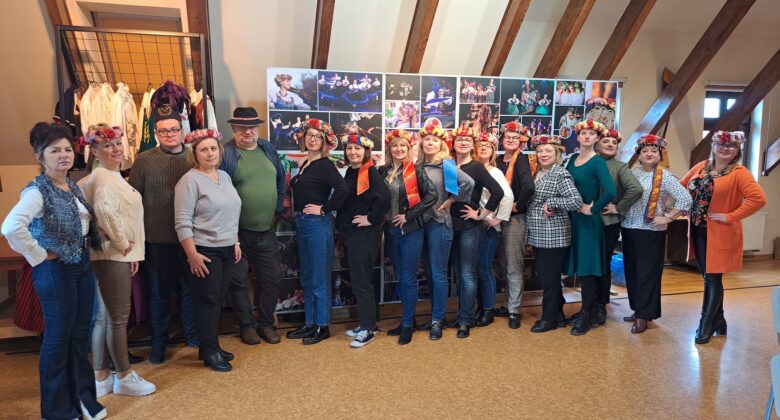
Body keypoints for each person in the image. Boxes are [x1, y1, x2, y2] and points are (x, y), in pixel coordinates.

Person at [2, 122, 106, 419]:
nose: (63, 155)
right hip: (55, 271)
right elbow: (11, 227)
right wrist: (38, 254)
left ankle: (82, 399)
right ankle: (57, 410)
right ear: (40, 157)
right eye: (54, 151)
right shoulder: (37, 191)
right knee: (59, 338)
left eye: (67, 149)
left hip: (80, 266)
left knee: (79, 335)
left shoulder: (70, 185)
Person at [78, 124, 156, 397]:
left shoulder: (105, 177)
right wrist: (123, 244)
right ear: (95, 151)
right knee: (118, 318)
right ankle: (123, 375)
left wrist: (128, 251)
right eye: (107, 146)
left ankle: (101, 375)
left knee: (104, 317)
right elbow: (104, 211)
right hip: (112, 255)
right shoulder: (104, 178)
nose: (115, 149)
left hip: (108, 255)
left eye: (118, 144)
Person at [680, 130, 766, 344]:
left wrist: (731, 216)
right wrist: (680, 206)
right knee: (709, 277)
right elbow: (682, 186)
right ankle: (719, 321)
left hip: (720, 232)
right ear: (714, 146)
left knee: (712, 278)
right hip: (698, 230)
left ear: (737, 151)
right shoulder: (702, 167)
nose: (726, 149)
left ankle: (706, 324)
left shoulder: (739, 172)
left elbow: (758, 199)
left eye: (731, 146)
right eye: (722, 144)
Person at [129, 104, 197, 364]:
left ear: (182, 130)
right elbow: (134, 201)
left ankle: (193, 336)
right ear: (156, 133)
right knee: (159, 295)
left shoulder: (194, 157)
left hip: (190, 239)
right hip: (157, 240)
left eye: (174, 129)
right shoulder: (144, 160)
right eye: (163, 131)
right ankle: (159, 344)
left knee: (191, 290)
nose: (170, 134)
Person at [174, 128, 242, 372]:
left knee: (217, 300)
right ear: (195, 154)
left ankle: (209, 346)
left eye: (213, 148)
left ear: (220, 151)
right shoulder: (189, 181)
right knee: (207, 301)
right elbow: (182, 222)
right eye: (204, 149)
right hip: (204, 250)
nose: (210, 153)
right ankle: (210, 350)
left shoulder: (224, 176)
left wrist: (235, 241)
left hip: (227, 247)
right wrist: (192, 254)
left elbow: (231, 211)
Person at [220, 107, 286, 346]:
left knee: (273, 278)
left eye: (252, 127)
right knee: (238, 281)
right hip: (237, 234)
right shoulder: (226, 153)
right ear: (233, 128)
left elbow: (280, 181)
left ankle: (266, 323)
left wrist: (276, 210)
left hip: (266, 231)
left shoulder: (268, 149)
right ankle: (246, 326)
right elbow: (221, 193)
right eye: (241, 127)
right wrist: (231, 232)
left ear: (258, 128)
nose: (247, 131)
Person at [621, 135, 691, 333]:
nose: (649, 154)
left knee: (647, 274)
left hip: (651, 231)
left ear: (660, 155)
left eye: (653, 151)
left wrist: (668, 217)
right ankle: (638, 309)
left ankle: (643, 315)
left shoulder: (665, 176)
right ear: (639, 155)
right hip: (629, 228)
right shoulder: (631, 173)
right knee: (632, 273)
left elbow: (685, 198)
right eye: (644, 151)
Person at [286, 118, 348, 345]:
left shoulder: (324, 164)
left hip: (317, 225)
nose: (312, 139)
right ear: (303, 138)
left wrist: (324, 209)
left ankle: (322, 325)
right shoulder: (306, 163)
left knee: (319, 277)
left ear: (324, 141)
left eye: (317, 137)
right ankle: (310, 322)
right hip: (302, 223)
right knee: (307, 276)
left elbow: (342, 190)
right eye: (309, 135)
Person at [416, 119, 474, 340]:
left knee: (438, 273)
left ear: (441, 144)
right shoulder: (417, 166)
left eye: (434, 140)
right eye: (427, 140)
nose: (430, 143)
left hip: (439, 224)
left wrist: (451, 200)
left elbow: (468, 183)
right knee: (430, 273)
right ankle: (434, 315)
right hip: (419, 225)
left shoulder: (446, 165)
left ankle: (437, 320)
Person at [378, 129, 437, 344]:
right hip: (390, 230)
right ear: (389, 149)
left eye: (403, 145)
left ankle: (407, 325)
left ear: (409, 148)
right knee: (400, 277)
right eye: (394, 145)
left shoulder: (416, 170)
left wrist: (409, 215)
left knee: (408, 278)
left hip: (411, 231)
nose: (398, 149)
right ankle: (407, 319)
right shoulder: (382, 171)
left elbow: (432, 195)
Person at [336, 125, 390, 348]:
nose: (353, 152)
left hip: (364, 236)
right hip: (352, 235)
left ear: (366, 151)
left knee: (361, 282)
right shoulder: (352, 172)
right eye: (349, 148)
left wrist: (372, 219)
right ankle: (369, 322)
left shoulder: (370, 172)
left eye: (357, 148)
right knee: (361, 280)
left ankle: (367, 329)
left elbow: (385, 197)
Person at [449, 126, 504, 338]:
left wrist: (481, 214)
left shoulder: (477, 167)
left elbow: (498, 192)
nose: (463, 143)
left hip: (470, 228)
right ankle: (462, 314)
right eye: (459, 139)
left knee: (468, 273)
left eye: (467, 140)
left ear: (472, 145)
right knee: (458, 274)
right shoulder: (448, 165)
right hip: (449, 226)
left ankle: (466, 319)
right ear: (453, 144)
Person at [525, 135, 583, 332]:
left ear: (557, 153)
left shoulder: (560, 174)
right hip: (539, 233)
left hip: (553, 234)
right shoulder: (538, 172)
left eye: (548, 151)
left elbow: (575, 201)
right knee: (548, 277)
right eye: (540, 151)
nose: (543, 154)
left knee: (549, 279)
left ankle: (548, 319)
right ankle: (558, 314)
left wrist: (552, 202)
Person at [565, 120, 616, 336]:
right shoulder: (572, 159)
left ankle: (586, 314)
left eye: (591, 134)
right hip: (572, 219)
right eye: (583, 133)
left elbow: (611, 191)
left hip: (587, 222)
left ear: (597, 138)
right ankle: (586, 309)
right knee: (579, 266)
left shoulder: (598, 162)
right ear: (578, 137)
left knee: (587, 270)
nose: (587, 136)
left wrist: (593, 208)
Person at [587, 129, 642, 325]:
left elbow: (636, 189)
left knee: (602, 265)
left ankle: (600, 305)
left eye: (614, 142)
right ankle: (587, 304)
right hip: (585, 222)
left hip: (606, 223)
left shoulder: (620, 167)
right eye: (606, 141)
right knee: (587, 264)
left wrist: (618, 207)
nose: (611, 144)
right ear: (596, 144)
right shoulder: (587, 162)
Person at [495, 122, 534, 329]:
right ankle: (507, 304)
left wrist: (517, 205)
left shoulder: (522, 160)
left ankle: (514, 310)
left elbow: (528, 186)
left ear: (521, 141)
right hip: (496, 218)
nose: (510, 140)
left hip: (514, 219)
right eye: (507, 137)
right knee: (503, 264)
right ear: (502, 140)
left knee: (513, 265)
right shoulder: (497, 160)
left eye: (514, 138)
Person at [472, 132, 513, 328]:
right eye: (479, 146)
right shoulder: (472, 169)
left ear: (493, 151)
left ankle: (488, 309)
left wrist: (497, 219)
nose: (483, 149)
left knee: (484, 268)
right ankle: (480, 307)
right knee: (475, 269)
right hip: (474, 224)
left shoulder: (495, 172)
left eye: (487, 146)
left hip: (488, 226)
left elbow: (507, 196)